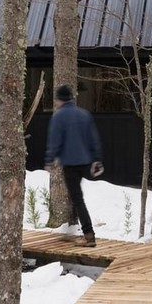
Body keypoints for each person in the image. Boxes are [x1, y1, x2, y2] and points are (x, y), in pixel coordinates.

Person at [44, 84, 104, 247]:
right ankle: (72, 229)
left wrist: (50, 159)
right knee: (75, 197)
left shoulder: (59, 117)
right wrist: (97, 160)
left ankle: (88, 235)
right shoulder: (84, 114)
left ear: (59, 100)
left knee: (77, 199)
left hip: (70, 164)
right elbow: (94, 139)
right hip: (86, 162)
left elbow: (54, 141)